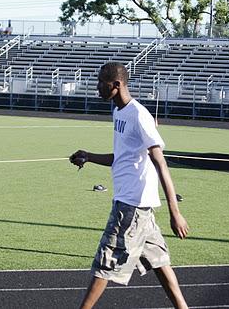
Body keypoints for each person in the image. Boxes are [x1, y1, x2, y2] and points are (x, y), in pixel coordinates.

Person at [69, 62, 189, 309]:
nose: (97, 87)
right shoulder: (118, 112)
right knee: (159, 262)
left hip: (131, 207)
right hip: (138, 209)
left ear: (116, 85)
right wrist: (89, 156)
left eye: (102, 82)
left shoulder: (139, 115)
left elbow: (160, 163)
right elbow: (120, 157)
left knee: (105, 262)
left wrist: (175, 213)